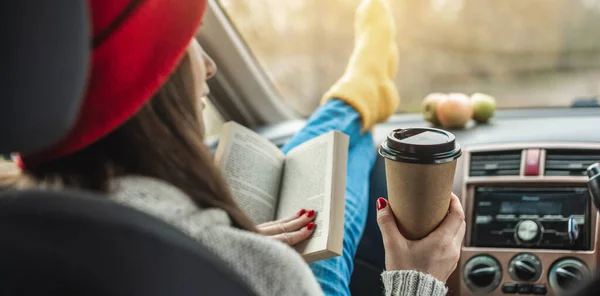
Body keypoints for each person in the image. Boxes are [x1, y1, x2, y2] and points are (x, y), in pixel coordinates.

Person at [5, 0, 465, 295]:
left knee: (324, 159)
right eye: (187, 44)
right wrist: (417, 282)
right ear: (145, 85)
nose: (208, 67)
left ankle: (358, 96)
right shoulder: (263, 278)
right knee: (322, 245)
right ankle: (358, 95)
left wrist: (205, 246)